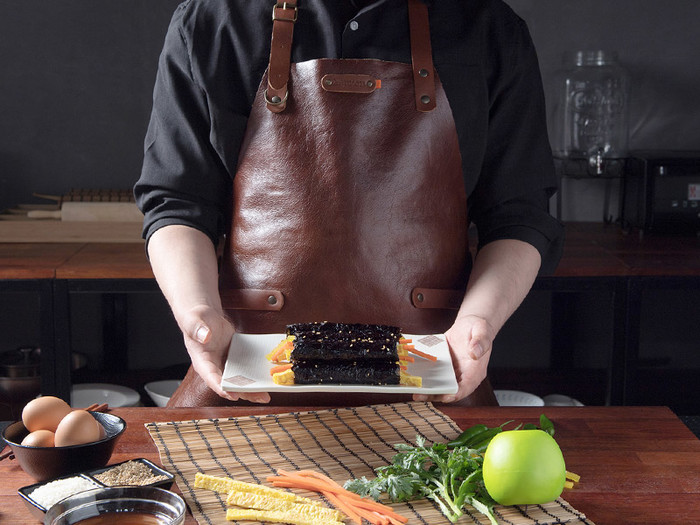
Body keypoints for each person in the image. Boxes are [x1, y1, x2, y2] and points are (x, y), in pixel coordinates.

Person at [134, 0, 564, 407]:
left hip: (434, 384)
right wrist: (199, 314)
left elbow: (519, 217)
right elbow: (177, 202)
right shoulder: (213, 20)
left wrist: (479, 325)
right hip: (244, 383)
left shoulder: (489, 27)